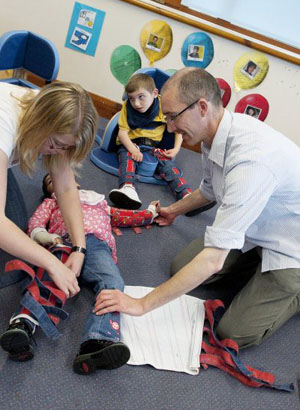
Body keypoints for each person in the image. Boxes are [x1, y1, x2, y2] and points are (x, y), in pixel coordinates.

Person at [94, 67, 300, 349]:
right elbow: (209, 189)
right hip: (257, 226)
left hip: (290, 247)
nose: (169, 128)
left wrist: (141, 305)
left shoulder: (251, 161)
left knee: (230, 334)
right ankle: (256, 268)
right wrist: (174, 210)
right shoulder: (213, 134)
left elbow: (213, 260)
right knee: (181, 267)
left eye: (172, 117)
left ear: (201, 107)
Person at [0, 80, 97, 299]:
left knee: (18, 225)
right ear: (42, 124)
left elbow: (67, 187)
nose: (58, 152)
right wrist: (52, 264)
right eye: (56, 144)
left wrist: (80, 248)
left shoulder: (56, 112)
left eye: (66, 148)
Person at [0, 174, 158, 373]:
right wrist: (49, 237)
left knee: (113, 283)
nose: (56, 180)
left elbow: (124, 217)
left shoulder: (98, 201)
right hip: (64, 243)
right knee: (48, 281)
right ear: (49, 190)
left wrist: (151, 213)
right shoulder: (52, 202)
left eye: (60, 177)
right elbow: (35, 226)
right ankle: (23, 324)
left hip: (97, 245)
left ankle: (98, 339)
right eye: (50, 181)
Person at [108, 73, 193, 211]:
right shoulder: (127, 107)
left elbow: (177, 128)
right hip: (132, 143)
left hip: (153, 147)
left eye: (141, 97)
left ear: (154, 93)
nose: (136, 103)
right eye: (131, 98)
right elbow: (122, 134)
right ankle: (128, 188)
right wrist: (133, 149)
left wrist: (176, 148)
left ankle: (186, 196)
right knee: (127, 159)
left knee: (168, 165)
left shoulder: (163, 105)